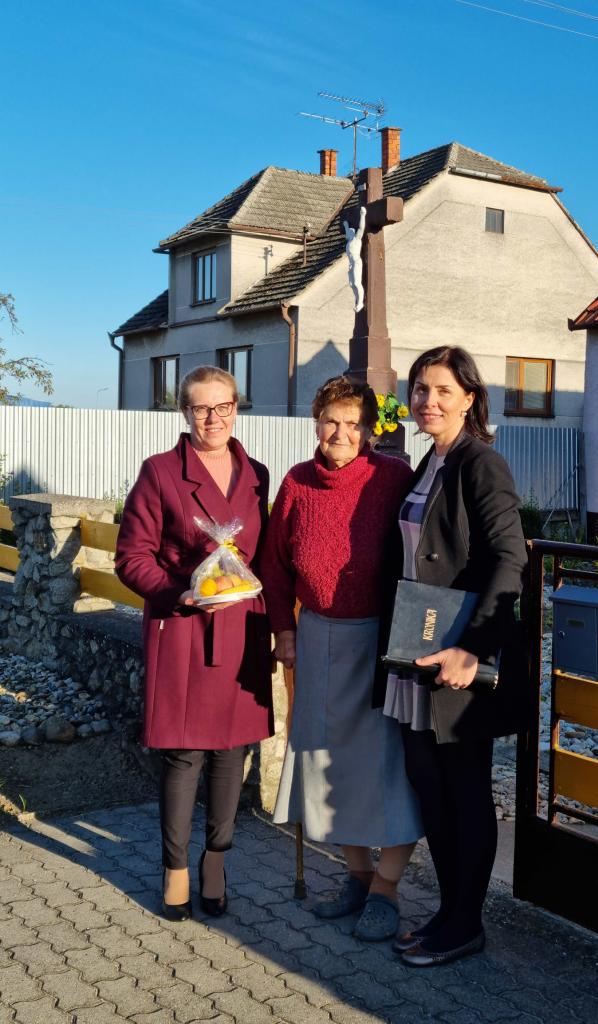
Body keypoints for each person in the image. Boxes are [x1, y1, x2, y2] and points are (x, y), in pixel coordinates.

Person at [379, 345, 527, 967]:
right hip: (417, 652)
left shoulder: (480, 463)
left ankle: (467, 922)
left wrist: (472, 648)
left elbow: (510, 558)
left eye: (442, 390)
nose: (428, 400)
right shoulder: (428, 462)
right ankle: (447, 910)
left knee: (464, 790)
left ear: (469, 398)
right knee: (430, 787)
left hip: (457, 658)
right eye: (420, 389)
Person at [263, 375, 422, 942]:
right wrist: (285, 631)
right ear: (316, 421)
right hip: (317, 638)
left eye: (354, 423)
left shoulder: (392, 477)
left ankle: (387, 889)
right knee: (328, 764)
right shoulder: (297, 482)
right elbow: (274, 566)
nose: (341, 432)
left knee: (385, 768)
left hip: (381, 642)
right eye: (332, 419)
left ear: (369, 431)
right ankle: (357, 877)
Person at [115, 366, 273, 921]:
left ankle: (217, 862)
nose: (213, 418)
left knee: (231, 751)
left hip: (241, 627)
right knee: (184, 753)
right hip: (183, 626)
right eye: (201, 408)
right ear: (184, 412)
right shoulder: (160, 472)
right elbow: (130, 557)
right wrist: (178, 593)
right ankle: (175, 867)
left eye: (223, 406)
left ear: (237, 407)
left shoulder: (257, 475)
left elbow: (265, 555)